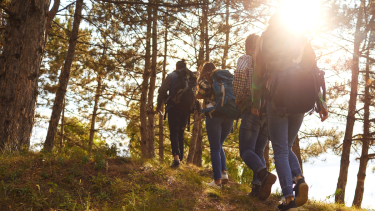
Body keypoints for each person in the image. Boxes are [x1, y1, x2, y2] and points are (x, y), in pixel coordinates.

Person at [252, 12, 329, 211]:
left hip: (277, 98)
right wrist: (321, 102)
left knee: (279, 148)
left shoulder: (265, 39)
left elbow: (258, 74)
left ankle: (288, 198)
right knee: (286, 146)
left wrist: (255, 101)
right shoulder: (300, 39)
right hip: (302, 99)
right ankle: (299, 179)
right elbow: (314, 71)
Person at [234, 34, 276, 201]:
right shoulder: (269, 62)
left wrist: (238, 96)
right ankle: (257, 188)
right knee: (258, 150)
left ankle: (264, 175)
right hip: (268, 111)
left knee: (245, 150)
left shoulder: (246, 58)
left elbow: (238, 73)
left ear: (247, 45)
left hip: (252, 107)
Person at [196, 62, 234, 189]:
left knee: (215, 148)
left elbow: (205, 89)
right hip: (229, 115)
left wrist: (197, 95)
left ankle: (217, 182)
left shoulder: (205, 78)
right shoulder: (223, 79)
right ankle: (223, 174)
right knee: (219, 145)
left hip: (214, 116)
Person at [156, 59, 197, 168]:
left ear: (176, 67)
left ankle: (176, 159)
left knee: (174, 132)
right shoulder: (191, 77)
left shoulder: (172, 75)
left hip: (174, 107)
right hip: (186, 109)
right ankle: (180, 159)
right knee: (180, 134)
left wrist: (159, 104)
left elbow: (162, 90)